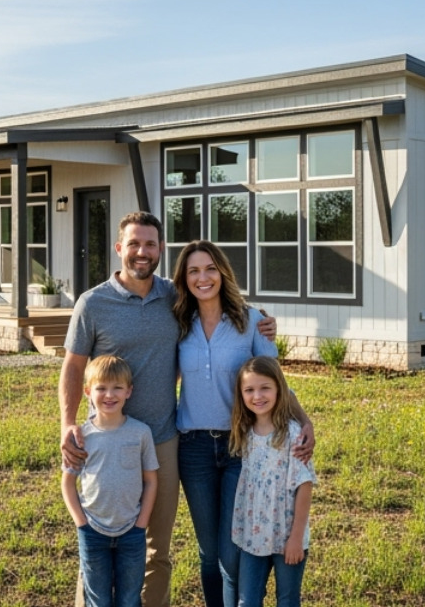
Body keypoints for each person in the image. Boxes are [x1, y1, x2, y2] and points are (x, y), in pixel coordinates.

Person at [59, 211, 289, 607]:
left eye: (150, 244)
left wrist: (260, 320)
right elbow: (73, 367)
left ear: (161, 249)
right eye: (133, 243)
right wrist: (67, 424)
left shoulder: (174, 296)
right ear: (119, 249)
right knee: (98, 538)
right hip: (107, 439)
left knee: (155, 545)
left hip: (165, 437)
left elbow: (215, 297)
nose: (142, 252)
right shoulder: (92, 303)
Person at [172, 240, 278, 607]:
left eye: (210, 268)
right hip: (193, 449)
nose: (203, 278)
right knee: (208, 552)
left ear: (223, 272)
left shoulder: (251, 321)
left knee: (232, 553)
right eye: (194, 271)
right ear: (184, 279)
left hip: (239, 447)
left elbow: (274, 381)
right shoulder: (177, 323)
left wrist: (303, 420)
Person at [62, 355, 159, 607]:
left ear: (129, 391)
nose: (109, 394)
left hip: (132, 532)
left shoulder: (141, 433)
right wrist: (81, 524)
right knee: (99, 600)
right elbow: (68, 484)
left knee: (129, 599)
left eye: (117, 387)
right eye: (101, 388)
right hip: (92, 531)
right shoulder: (81, 436)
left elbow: (151, 480)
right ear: (87, 391)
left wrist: (141, 523)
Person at [230, 356, 314, 607]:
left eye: (265, 387)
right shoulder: (244, 432)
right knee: (248, 600)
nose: (258, 396)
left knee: (287, 600)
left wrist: (296, 537)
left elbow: (304, 485)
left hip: (287, 534)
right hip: (252, 537)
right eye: (249, 390)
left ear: (279, 388)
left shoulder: (293, 434)